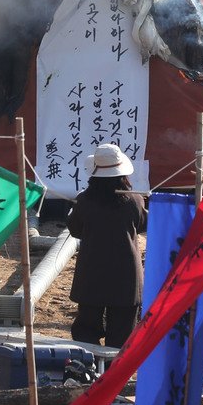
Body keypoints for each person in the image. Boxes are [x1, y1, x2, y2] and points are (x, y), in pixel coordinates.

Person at [66, 143, 146, 348]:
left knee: (86, 330)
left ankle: (89, 373)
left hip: (92, 273)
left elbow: (75, 229)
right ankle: (114, 377)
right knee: (122, 336)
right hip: (126, 277)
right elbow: (142, 224)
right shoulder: (135, 200)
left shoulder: (84, 201)